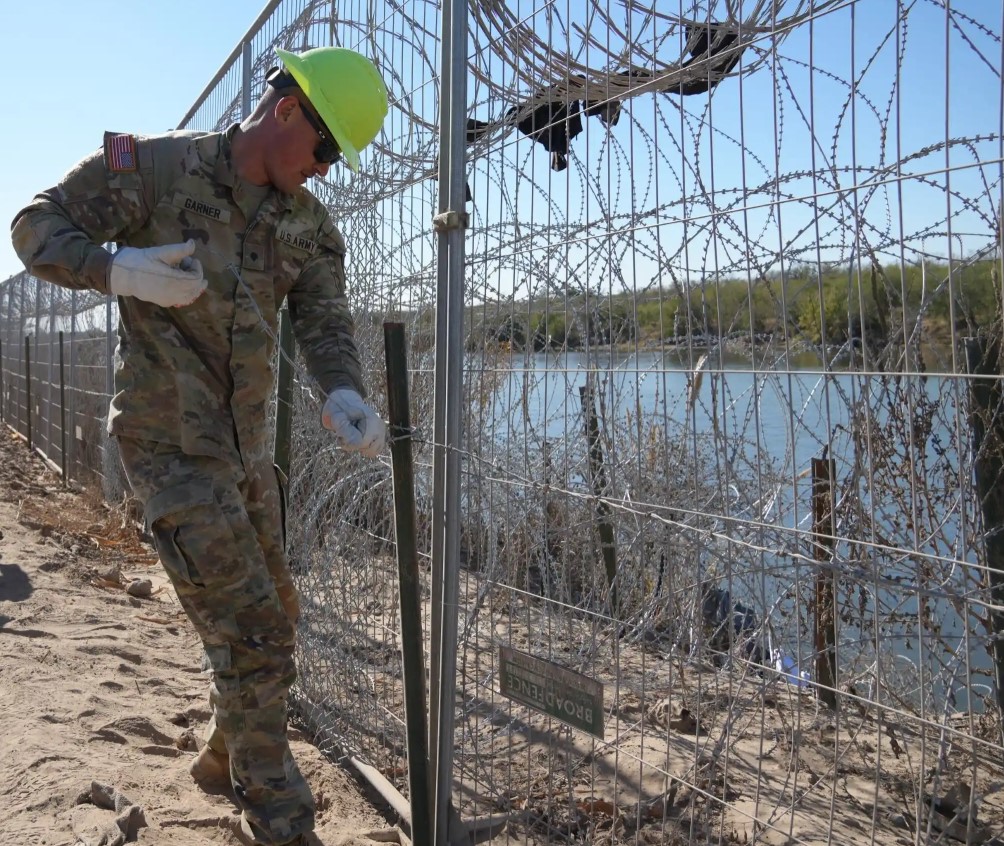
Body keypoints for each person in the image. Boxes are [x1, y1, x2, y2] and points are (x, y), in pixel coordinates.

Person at [10, 46, 390, 846]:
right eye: (324, 149)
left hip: (247, 456)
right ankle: (276, 805)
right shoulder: (150, 170)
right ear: (287, 111)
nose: (325, 171)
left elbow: (324, 320)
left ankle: (222, 759)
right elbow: (33, 227)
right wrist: (115, 268)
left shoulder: (308, 226)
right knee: (256, 629)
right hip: (168, 446)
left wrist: (345, 390)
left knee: (273, 613)